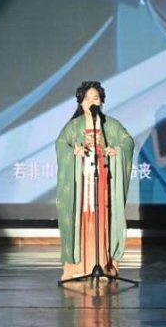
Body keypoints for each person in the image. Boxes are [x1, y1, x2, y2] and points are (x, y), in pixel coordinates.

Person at [55, 81, 134, 281]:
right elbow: (61, 144)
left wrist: (117, 150)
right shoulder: (74, 126)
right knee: (82, 217)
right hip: (81, 184)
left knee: (103, 218)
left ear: (101, 102)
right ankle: (78, 267)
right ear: (81, 102)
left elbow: (127, 141)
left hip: (103, 182)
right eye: (87, 98)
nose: (91, 101)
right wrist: (74, 152)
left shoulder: (110, 125)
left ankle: (105, 265)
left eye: (96, 98)